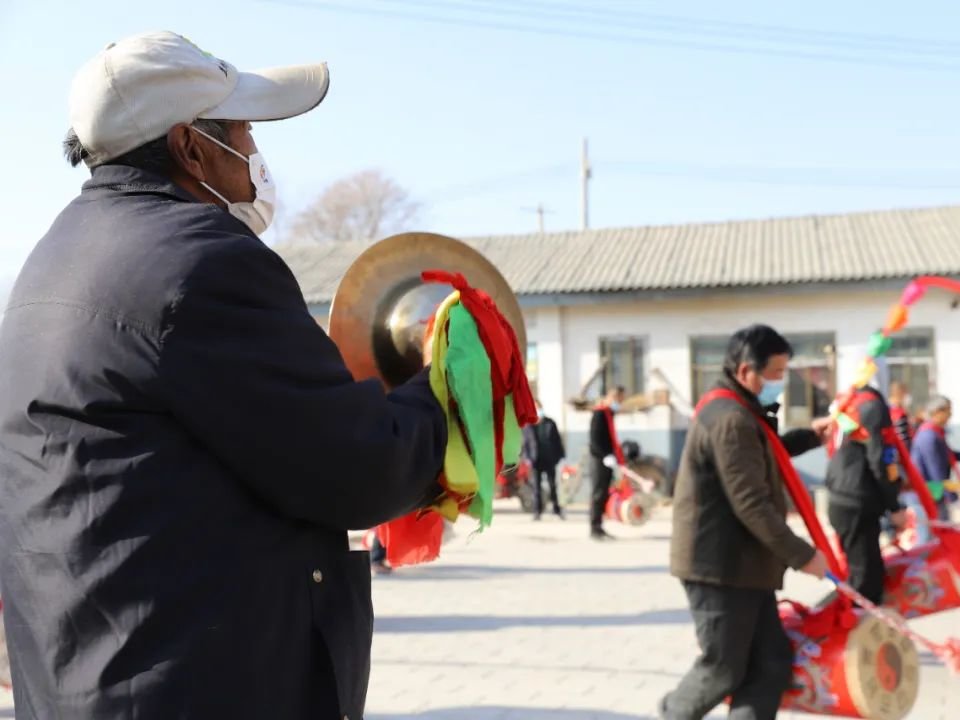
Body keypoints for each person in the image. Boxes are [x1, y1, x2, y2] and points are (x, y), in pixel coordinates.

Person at [0, 32, 448, 719]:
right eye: (243, 130)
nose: (255, 153)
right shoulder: (202, 263)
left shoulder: (51, 263)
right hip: (197, 688)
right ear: (190, 146)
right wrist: (441, 389)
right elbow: (356, 467)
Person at [662, 325, 831, 720]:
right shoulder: (731, 419)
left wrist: (810, 437)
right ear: (745, 371)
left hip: (744, 566)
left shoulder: (738, 409)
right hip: (719, 566)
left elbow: (763, 454)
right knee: (723, 668)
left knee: (769, 663)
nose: (780, 382)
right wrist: (802, 555)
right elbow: (751, 503)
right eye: (775, 373)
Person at [825, 385, 907, 604]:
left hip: (845, 500)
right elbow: (880, 463)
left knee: (866, 571)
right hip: (856, 504)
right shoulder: (872, 417)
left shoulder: (848, 436)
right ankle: (857, 620)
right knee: (865, 577)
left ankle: (862, 616)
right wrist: (895, 507)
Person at [911, 396, 960, 521]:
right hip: (930, 494)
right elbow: (936, 472)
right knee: (937, 529)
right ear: (937, 412)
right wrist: (954, 499)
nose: (950, 415)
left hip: (936, 493)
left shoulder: (936, 433)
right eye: (948, 411)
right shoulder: (928, 437)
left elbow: (951, 456)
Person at [588, 385, 626, 540]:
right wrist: (605, 456)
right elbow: (595, 439)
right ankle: (594, 527)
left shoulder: (609, 413)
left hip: (607, 459)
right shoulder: (599, 413)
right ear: (613, 397)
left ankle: (600, 526)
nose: (620, 403)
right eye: (619, 399)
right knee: (598, 494)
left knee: (604, 493)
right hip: (599, 459)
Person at [521, 403, 567, 520]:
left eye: (538, 408)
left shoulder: (550, 423)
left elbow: (557, 441)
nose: (537, 410)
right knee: (536, 487)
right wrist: (526, 458)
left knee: (553, 486)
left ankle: (556, 510)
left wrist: (561, 456)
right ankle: (537, 512)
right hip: (535, 460)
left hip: (550, 459)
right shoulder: (528, 425)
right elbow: (525, 443)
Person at [888, 380, 913, 448]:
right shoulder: (897, 412)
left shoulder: (893, 408)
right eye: (905, 392)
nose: (907, 395)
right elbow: (902, 437)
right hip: (901, 449)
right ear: (899, 393)